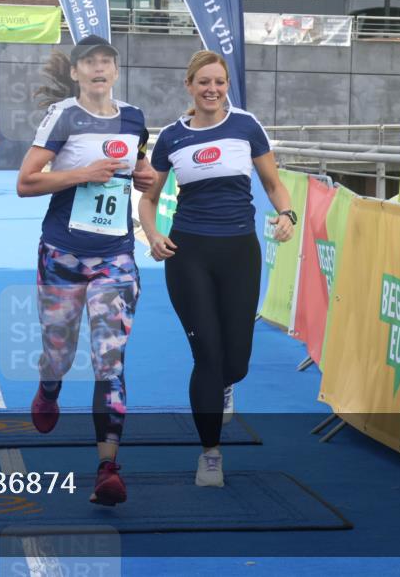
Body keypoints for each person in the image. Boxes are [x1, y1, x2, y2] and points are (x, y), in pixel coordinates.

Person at [138, 50, 295, 488]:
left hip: (239, 252)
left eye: (219, 82)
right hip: (188, 254)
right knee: (206, 355)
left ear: (227, 86)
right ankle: (210, 453)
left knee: (236, 361)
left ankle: (227, 383)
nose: (212, 90)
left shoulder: (246, 126)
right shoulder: (170, 137)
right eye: (203, 82)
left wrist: (287, 215)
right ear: (189, 85)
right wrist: (152, 235)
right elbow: (149, 199)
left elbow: (273, 183)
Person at [16, 35, 156, 506]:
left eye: (107, 62)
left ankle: (107, 467)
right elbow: (26, 181)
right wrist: (82, 173)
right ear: (75, 73)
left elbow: (140, 170)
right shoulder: (63, 116)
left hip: (116, 256)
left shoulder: (134, 117)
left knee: (108, 359)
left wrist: (146, 176)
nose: (99, 69)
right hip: (62, 254)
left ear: (116, 71)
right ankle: (49, 385)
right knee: (59, 348)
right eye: (89, 63)